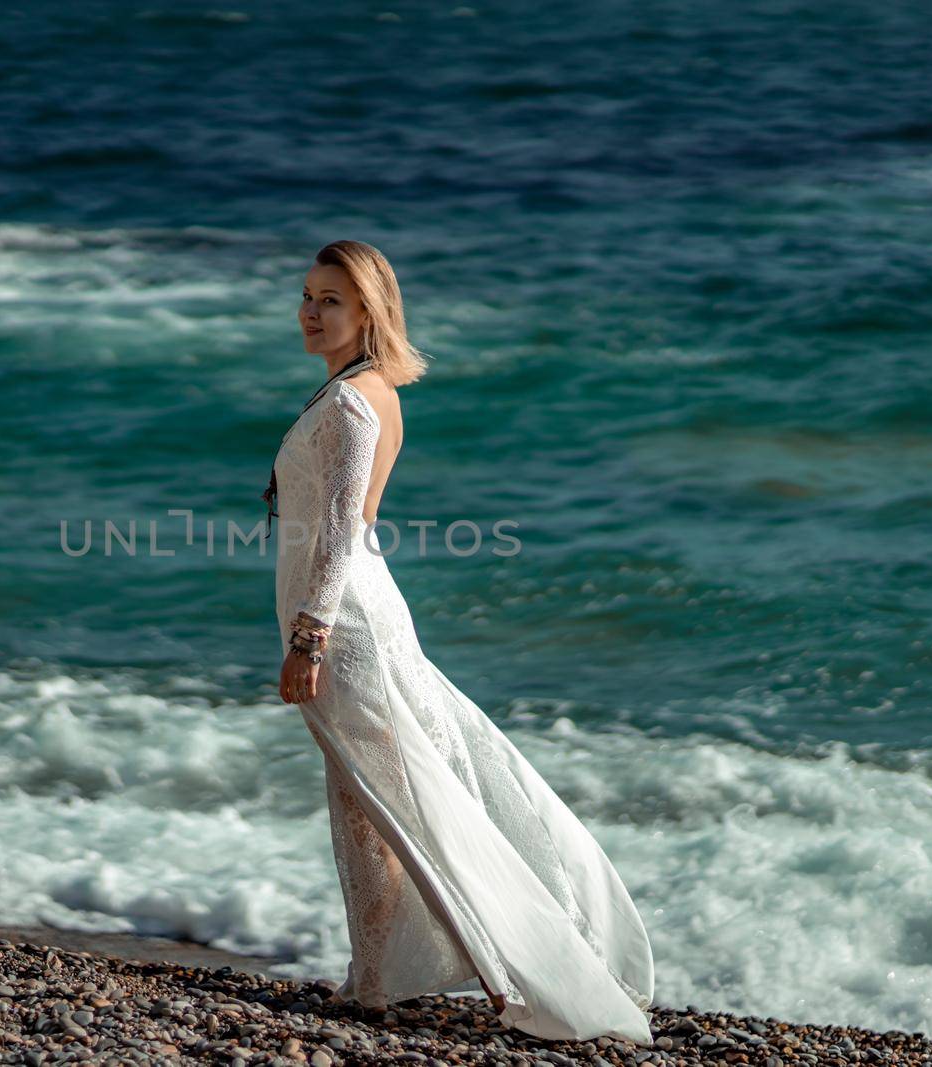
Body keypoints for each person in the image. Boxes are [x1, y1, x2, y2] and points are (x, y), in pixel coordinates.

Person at [263, 240, 656, 1044]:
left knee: (394, 804)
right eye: (306, 294)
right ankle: (374, 976)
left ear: (369, 310)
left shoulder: (349, 402)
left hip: (348, 624)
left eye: (331, 299)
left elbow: (342, 530)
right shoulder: (360, 388)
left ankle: (507, 963)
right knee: (373, 800)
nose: (310, 310)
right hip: (358, 612)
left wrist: (310, 638)